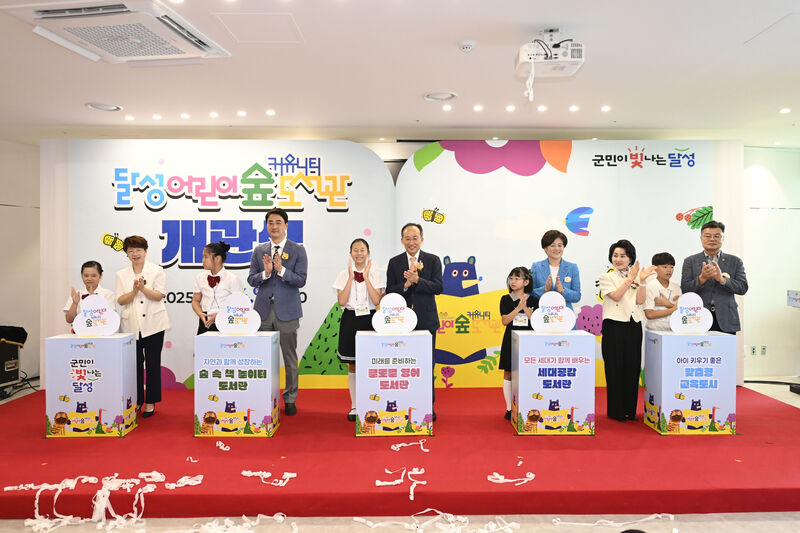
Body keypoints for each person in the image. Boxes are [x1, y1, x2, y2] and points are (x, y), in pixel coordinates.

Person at [248, 208, 308, 416]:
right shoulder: (259, 250)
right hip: (263, 312)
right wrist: (265, 273)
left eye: (278, 222)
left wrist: (281, 270)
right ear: (266, 225)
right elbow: (251, 279)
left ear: (286, 225)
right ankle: (264, 397)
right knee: (262, 358)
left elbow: (301, 280)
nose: (274, 226)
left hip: (287, 312)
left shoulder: (298, 250)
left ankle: (290, 399)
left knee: (289, 358)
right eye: (270, 222)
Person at [386, 223, 443, 419]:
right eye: (407, 238)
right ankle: (404, 403)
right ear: (402, 240)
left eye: (415, 238)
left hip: (426, 321)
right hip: (400, 322)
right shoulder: (394, 262)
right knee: (404, 366)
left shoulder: (433, 260)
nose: (411, 242)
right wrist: (406, 284)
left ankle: (427, 405)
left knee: (426, 365)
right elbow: (389, 291)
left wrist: (418, 280)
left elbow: (438, 287)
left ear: (422, 239)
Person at [598, 239, 655, 422]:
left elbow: (640, 301)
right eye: (615, 255)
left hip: (633, 324)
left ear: (630, 258)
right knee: (614, 368)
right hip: (614, 325)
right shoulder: (606, 277)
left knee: (632, 367)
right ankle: (616, 411)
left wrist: (642, 281)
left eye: (623, 256)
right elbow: (615, 296)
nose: (618, 259)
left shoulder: (636, 277)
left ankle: (630, 410)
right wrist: (630, 279)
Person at [115, 236, 170, 418]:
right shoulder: (121, 274)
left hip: (154, 324)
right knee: (134, 365)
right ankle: (137, 400)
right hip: (131, 325)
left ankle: (151, 401)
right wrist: (133, 291)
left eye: (138, 250)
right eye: (131, 251)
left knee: (153, 364)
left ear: (145, 251)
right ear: (126, 254)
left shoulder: (156, 270)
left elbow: (159, 295)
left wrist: (143, 289)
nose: (135, 254)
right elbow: (121, 300)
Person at [333, 238, 385, 421]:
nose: (359, 253)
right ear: (350, 253)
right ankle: (354, 406)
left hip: (370, 319)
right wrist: (350, 277)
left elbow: (377, 300)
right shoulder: (343, 274)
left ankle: (370, 403)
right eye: (355, 250)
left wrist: (367, 276)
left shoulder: (376, 274)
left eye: (362, 250)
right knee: (353, 364)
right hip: (350, 319)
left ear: (368, 253)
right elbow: (341, 301)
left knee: (370, 363)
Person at [680, 221, 748, 333]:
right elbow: (685, 289)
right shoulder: (690, 261)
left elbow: (742, 288)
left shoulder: (735, 261)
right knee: (699, 345)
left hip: (726, 318)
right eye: (707, 236)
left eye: (717, 236)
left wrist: (722, 280)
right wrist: (701, 279)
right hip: (697, 317)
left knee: (725, 345)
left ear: (723, 238)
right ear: (701, 238)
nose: (712, 239)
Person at [499, 266, 538, 420]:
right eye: (511, 278)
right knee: (508, 373)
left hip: (529, 341)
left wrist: (525, 307)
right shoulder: (505, 299)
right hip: (510, 340)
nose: (513, 281)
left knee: (528, 373)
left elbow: (536, 322)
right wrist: (517, 309)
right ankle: (509, 409)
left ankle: (527, 405)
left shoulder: (534, 300)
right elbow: (505, 320)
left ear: (526, 282)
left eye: (517, 278)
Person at [192, 241, 243, 334]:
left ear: (217, 258)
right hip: (205, 322)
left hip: (226, 322)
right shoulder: (200, 277)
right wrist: (200, 313)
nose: (203, 260)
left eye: (206, 257)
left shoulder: (232, 279)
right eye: (203, 257)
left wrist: (221, 315)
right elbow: (195, 300)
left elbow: (240, 306)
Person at [531, 230, 581, 310]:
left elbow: (577, 296)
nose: (557, 248)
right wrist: (545, 289)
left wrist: (563, 290)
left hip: (565, 314)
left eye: (560, 245)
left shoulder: (572, 267)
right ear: (545, 248)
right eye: (552, 245)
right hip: (543, 314)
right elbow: (530, 293)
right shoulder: (536, 266)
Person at [64, 260, 116, 328]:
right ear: (81, 276)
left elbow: (110, 318)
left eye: (93, 276)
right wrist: (75, 303)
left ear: (100, 276)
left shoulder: (108, 294)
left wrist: (94, 300)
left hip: (102, 332)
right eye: (86, 276)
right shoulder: (77, 295)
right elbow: (69, 320)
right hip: (80, 332)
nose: (89, 278)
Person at [644, 252, 682, 331]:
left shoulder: (677, 287)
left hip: (673, 331)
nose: (669, 270)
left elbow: (682, 310)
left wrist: (668, 304)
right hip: (654, 331)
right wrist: (672, 309)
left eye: (672, 267)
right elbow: (649, 314)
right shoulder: (650, 286)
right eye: (665, 267)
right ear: (655, 268)